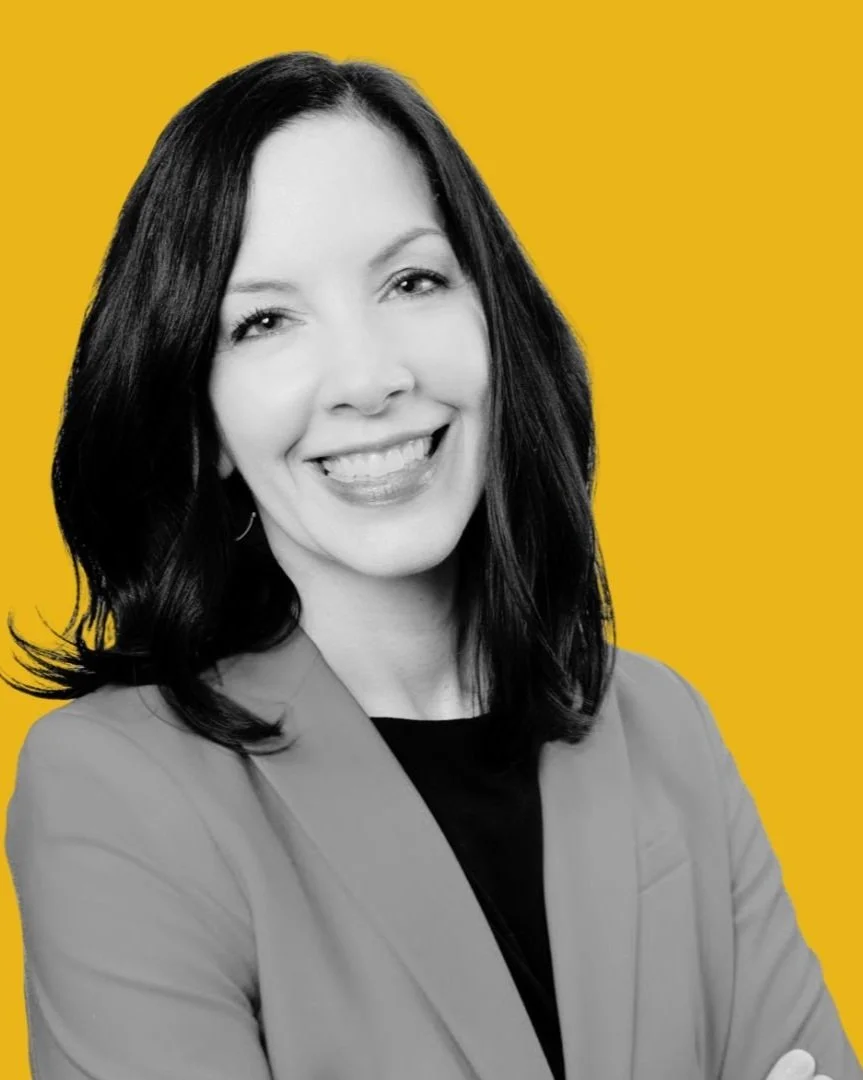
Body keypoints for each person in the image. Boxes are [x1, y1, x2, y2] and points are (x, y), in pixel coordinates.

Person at [3, 52, 859, 1080]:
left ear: (489, 321)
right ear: (203, 420)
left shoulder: (662, 728)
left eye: (411, 280)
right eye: (264, 319)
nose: (370, 378)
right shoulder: (113, 788)